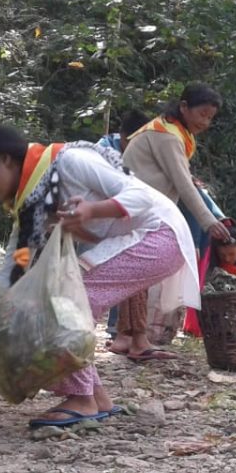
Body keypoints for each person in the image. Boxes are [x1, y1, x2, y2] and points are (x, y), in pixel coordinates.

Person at [0, 124, 200, 431]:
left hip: (160, 234)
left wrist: (93, 210)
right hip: (148, 240)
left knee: (66, 299)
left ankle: (80, 398)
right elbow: (7, 281)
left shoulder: (70, 161)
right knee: (62, 296)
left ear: (5, 160)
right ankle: (96, 397)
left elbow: (140, 196)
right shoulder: (31, 214)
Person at [121, 83, 231, 351]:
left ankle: (130, 338)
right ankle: (133, 338)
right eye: (202, 114)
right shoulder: (168, 136)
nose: (205, 122)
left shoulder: (169, 130)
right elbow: (183, 185)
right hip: (141, 210)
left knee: (137, 272)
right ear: (183, 107)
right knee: (142, 271)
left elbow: (180, 177)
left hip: (137, 208)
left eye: (210, 117)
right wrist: (209, 222)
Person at [97, 108, 150, 342]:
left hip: (129, 218)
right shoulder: (103, 150)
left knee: (125, 269)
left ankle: (117, 328)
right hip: (99, 217)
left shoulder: (148, 150)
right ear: (122, 135)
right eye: (132, 141)